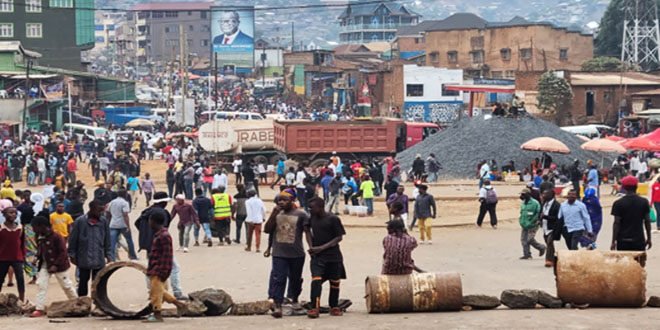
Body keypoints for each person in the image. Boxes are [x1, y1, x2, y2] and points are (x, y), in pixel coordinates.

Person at [263, 191, 310, 318]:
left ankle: (294, 300)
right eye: (279, 200)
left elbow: (307, 232)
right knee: (279, 278)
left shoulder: (301, 214)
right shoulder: (276, 214)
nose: (281, 203)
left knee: (295, 279)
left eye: (285, 200)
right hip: (279, 253)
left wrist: (312, 248)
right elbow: (267, 230)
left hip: (297, 253)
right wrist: (273, 214)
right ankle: (278, 304)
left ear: (292, 201)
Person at [134, 192, 185, 300]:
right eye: (165, 202)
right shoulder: (163, 213)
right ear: (163, 202)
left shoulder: (146, 211)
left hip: (148, 245)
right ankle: (177, 292)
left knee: (151, 268)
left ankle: (151, 291)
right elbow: (164, 228)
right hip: (160, 244)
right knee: (174, 267)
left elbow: (137, 223)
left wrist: (146, 234)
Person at [142, 209, 187, 323]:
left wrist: (163, 271)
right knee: (159, 290)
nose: (149, 224)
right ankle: (179, 304)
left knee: (155, 293)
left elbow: (167, 255)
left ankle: (157, 315)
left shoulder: (164, 236)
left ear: (153, 222)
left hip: (159, 269)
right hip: (154, 268)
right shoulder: (159, 235)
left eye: (150, 221)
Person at [304, 197, 346, 318]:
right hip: (318, 257)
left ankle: (334, 306)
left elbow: (339, 237)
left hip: (334, 256)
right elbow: (306, 231)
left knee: (335, 282)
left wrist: (321, 247)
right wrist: (311, 246)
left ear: (320, 207)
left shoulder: (332, 219)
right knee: (316, 281)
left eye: (312, 208)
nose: (310, 210)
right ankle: (314, 307)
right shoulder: (311, 218)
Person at [29, 216, 78, 317]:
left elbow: (63, 252)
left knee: (66, 285)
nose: (33, 229)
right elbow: (40, 249)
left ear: (41, 226)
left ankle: (77, 303)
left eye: (34, 227)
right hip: (45, 265)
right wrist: (36, 257)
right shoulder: (38, 236)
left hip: (59, 265)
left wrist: (55, 265)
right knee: (41, 285)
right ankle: (40, 308)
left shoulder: (56, 237)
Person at [67, 200, 112, 297]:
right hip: (83, 258)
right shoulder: (80, 221)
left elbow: (107, 239)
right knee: (83, 282)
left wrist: (108, 254)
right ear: (91, 209)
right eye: (98, 211)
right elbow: (73, 239)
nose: (100, 213)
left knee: (98, 283)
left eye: (101, 211)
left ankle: (98, 304)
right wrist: (72, 255)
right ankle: (82, 303)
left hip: (98, 258)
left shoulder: (103, 221)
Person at [611, 176, 653, 251]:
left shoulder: (618, 203)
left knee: (624, 262)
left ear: (623, 188)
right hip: (639, 240)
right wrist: (649, 238)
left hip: (622, 241)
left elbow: (616, 223)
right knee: (639, 262)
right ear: (636, 186)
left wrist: (613, 241)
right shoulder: (644, 202)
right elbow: (647, 221)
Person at [0, 206, 25, 302]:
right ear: (4, 214)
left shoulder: (20, 228)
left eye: (15, 213)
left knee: (20, 279)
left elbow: (22, 244)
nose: (13, 215)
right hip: (2, 258)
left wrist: (23, 256)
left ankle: (22, 300)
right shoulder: (1, 228)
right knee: (0, 279)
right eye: (10, 213)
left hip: (17, 257)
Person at [108, 190, 138, 261]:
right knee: (129, 240)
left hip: (113, 224)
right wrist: (128, 226)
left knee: (112, 242)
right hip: (123, 224)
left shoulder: (112, 202)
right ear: (125, 195)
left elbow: (108, 213)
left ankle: (111, 258)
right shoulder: (125, 203)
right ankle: (132, 256)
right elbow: (125, 215)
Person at [518, 188, 545, 260]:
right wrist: (520, 221)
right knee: (523, 239)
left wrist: (535, 221)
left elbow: (538, 213)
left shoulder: (535, 203)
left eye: (523, 194)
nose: (521, 196)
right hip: (524, 224)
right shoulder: (523, 203)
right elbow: (522, 212)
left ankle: (541, 247)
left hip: (533, 224)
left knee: (530, 239)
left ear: (528, 195)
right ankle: (527, 254)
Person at [540, 189, 561, 267]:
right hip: (545, 227)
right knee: (550, 244)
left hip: (553, 228)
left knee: (549, 243)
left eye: (545, 194)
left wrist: (545, 217)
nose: (543, 196)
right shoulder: (544, 204)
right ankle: (554, 259)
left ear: (551, 195)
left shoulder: (556, 205)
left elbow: (557, 218)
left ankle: (548, 260)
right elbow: (541, 213)